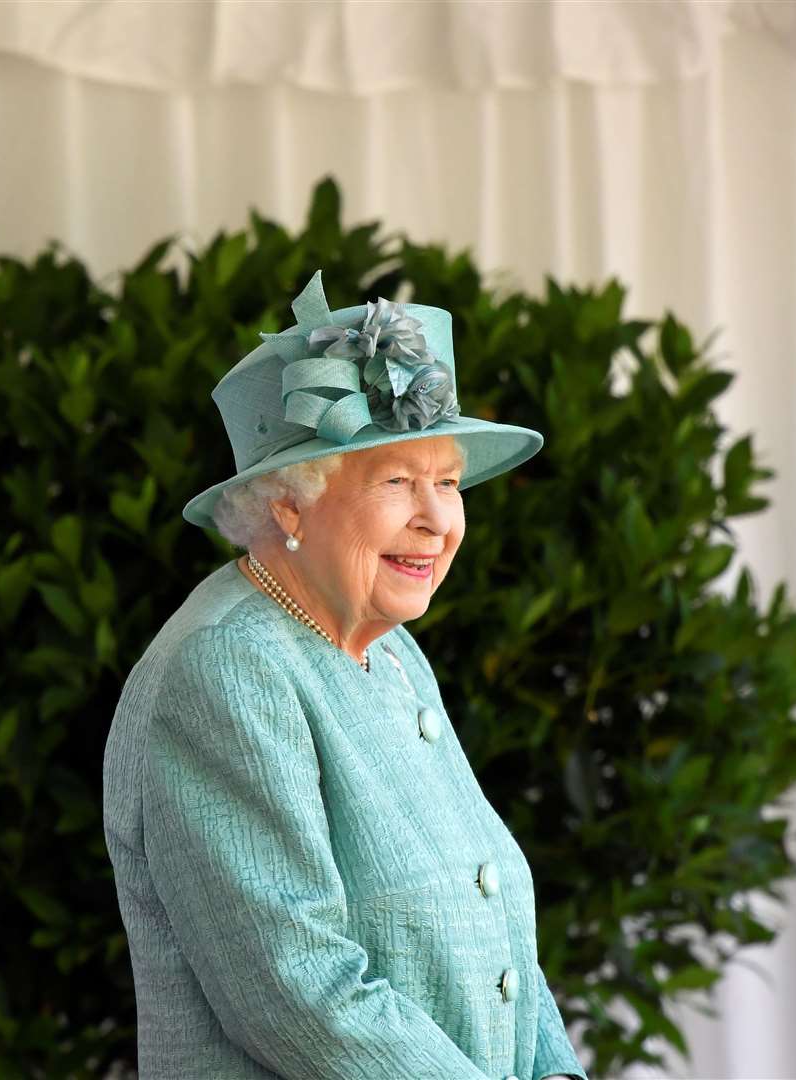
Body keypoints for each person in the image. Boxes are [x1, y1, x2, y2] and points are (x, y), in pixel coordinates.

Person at [103, 272, 587, 1079]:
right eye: (397, 482)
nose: (436, 519)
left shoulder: (389, 651)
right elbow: (300, 993)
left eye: (448, 482)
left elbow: (494, 918)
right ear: (288, 508)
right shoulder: (226, 669)